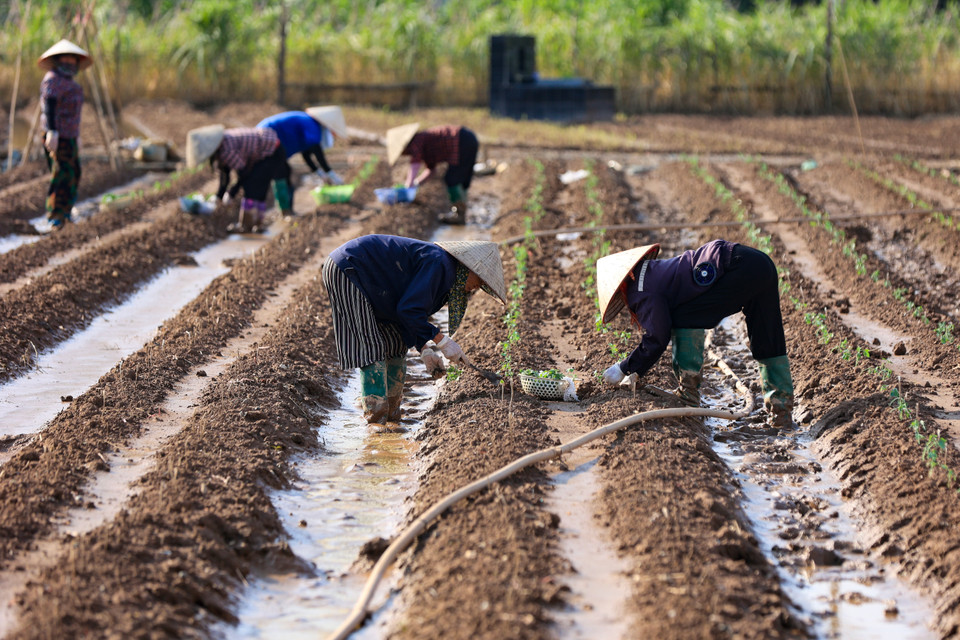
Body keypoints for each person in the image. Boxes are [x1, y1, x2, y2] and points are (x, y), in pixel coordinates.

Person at [596, 239, 794, 428]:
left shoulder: (641, 288)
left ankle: (688, 394)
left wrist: (624, 368)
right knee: (768, 337)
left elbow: (657, 337)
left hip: (737, 266)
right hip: (760, 263)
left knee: (684, 317)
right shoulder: (650, 272)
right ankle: (781, 413)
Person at [322, 234, 506, 424]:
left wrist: (424, 349)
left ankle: (392, 414)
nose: (478, 286)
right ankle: (375, 418)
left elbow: (409, 313)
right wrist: (441, 341)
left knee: (396, 344)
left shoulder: (447, 275)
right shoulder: (439, 265)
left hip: (375, 284)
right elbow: (409, 311)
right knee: (371, 345)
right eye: (480, 279)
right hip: (349, 269)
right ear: (469, 267)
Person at [185, 124, 292, 233]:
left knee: (253, 186)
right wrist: (219, 195)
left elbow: (244, 172)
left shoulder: (226, 151)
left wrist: (232, 192)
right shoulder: (223, 145)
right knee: (254, 186)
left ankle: (249, 224)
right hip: (269, 150)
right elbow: (225, 173)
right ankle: (254, 224)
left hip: (272, 151)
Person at [38, 39, 92, 230]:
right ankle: (55, 216)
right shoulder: (53, 79)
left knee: (74, 172)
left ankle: (66, 212)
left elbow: (74, 114)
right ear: (58, 60)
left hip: (70, 136)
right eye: (65, 59)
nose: (69, 63)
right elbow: (50, 106)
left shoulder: (70, 83)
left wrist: (77, 135)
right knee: (61, 174)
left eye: (72, 60)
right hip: (57, 136)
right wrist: (52, 132)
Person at [256, 106, 349, 216]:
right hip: (267, 137)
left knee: (285, 172)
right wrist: (330, 173)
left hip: (269, 137)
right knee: (281, 173)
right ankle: (284, 210)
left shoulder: (309, 123)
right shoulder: (311, 124)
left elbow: (306, 155)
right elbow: (317, 152)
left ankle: (286, 210)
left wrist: (320, 173)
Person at [386, 123, 479, 225]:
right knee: (462, 179)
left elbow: (415, 165)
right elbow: (431, 170)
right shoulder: (425, 143)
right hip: (468, 138)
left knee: (452, 179)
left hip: (462, 140)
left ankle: (459, 214)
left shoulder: (416, 141)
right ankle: (461, 213)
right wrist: (416, 184)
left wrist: (408, 187)